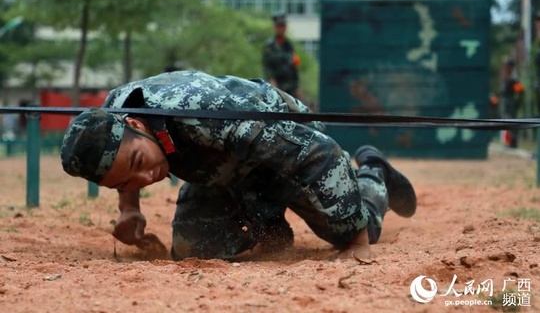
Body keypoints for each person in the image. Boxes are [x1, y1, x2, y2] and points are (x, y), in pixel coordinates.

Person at [60, 70, 416, 261]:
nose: (146, 177)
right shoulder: (109, 118)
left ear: (138, 125)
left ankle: (373, 171)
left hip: (286, 141)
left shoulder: (208, 116)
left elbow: (318, 153)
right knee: (193, 250)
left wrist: (354, 241)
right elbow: (122, 165)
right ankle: (269, 222)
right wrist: (128, 209)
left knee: (354, 228)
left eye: (139, 162)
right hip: (216, 162)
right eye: (124, 182)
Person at [262, 12, 302, 99]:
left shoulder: (289, 45)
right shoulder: (269, 46)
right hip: (276, 86)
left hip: (290, 86)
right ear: (275, 27)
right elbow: (267, 67)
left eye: (283, 26)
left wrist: (297, 87)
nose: (282, 29)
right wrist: (272, 81)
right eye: (279, 26)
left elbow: (294, 68)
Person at [499, 58, 524, 148]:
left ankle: (513, 141)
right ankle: (509, 141)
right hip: (505, 100)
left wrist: (517, 101)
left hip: (510, 101)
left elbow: (520, 90)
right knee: (506, 121)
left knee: (511, 121)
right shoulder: (506, 77)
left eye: (507, 66)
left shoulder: (513, 79)